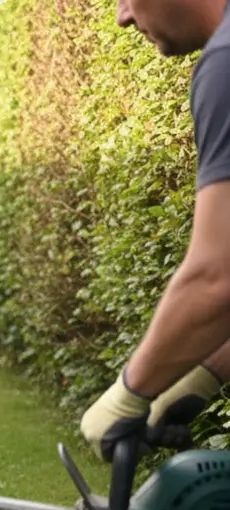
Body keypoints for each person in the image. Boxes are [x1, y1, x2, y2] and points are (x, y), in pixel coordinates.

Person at [81, 0, 230, 462]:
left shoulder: (225, 65)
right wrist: (202, 373)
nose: (122, 17)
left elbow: (217, 277)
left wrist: (132, 391)